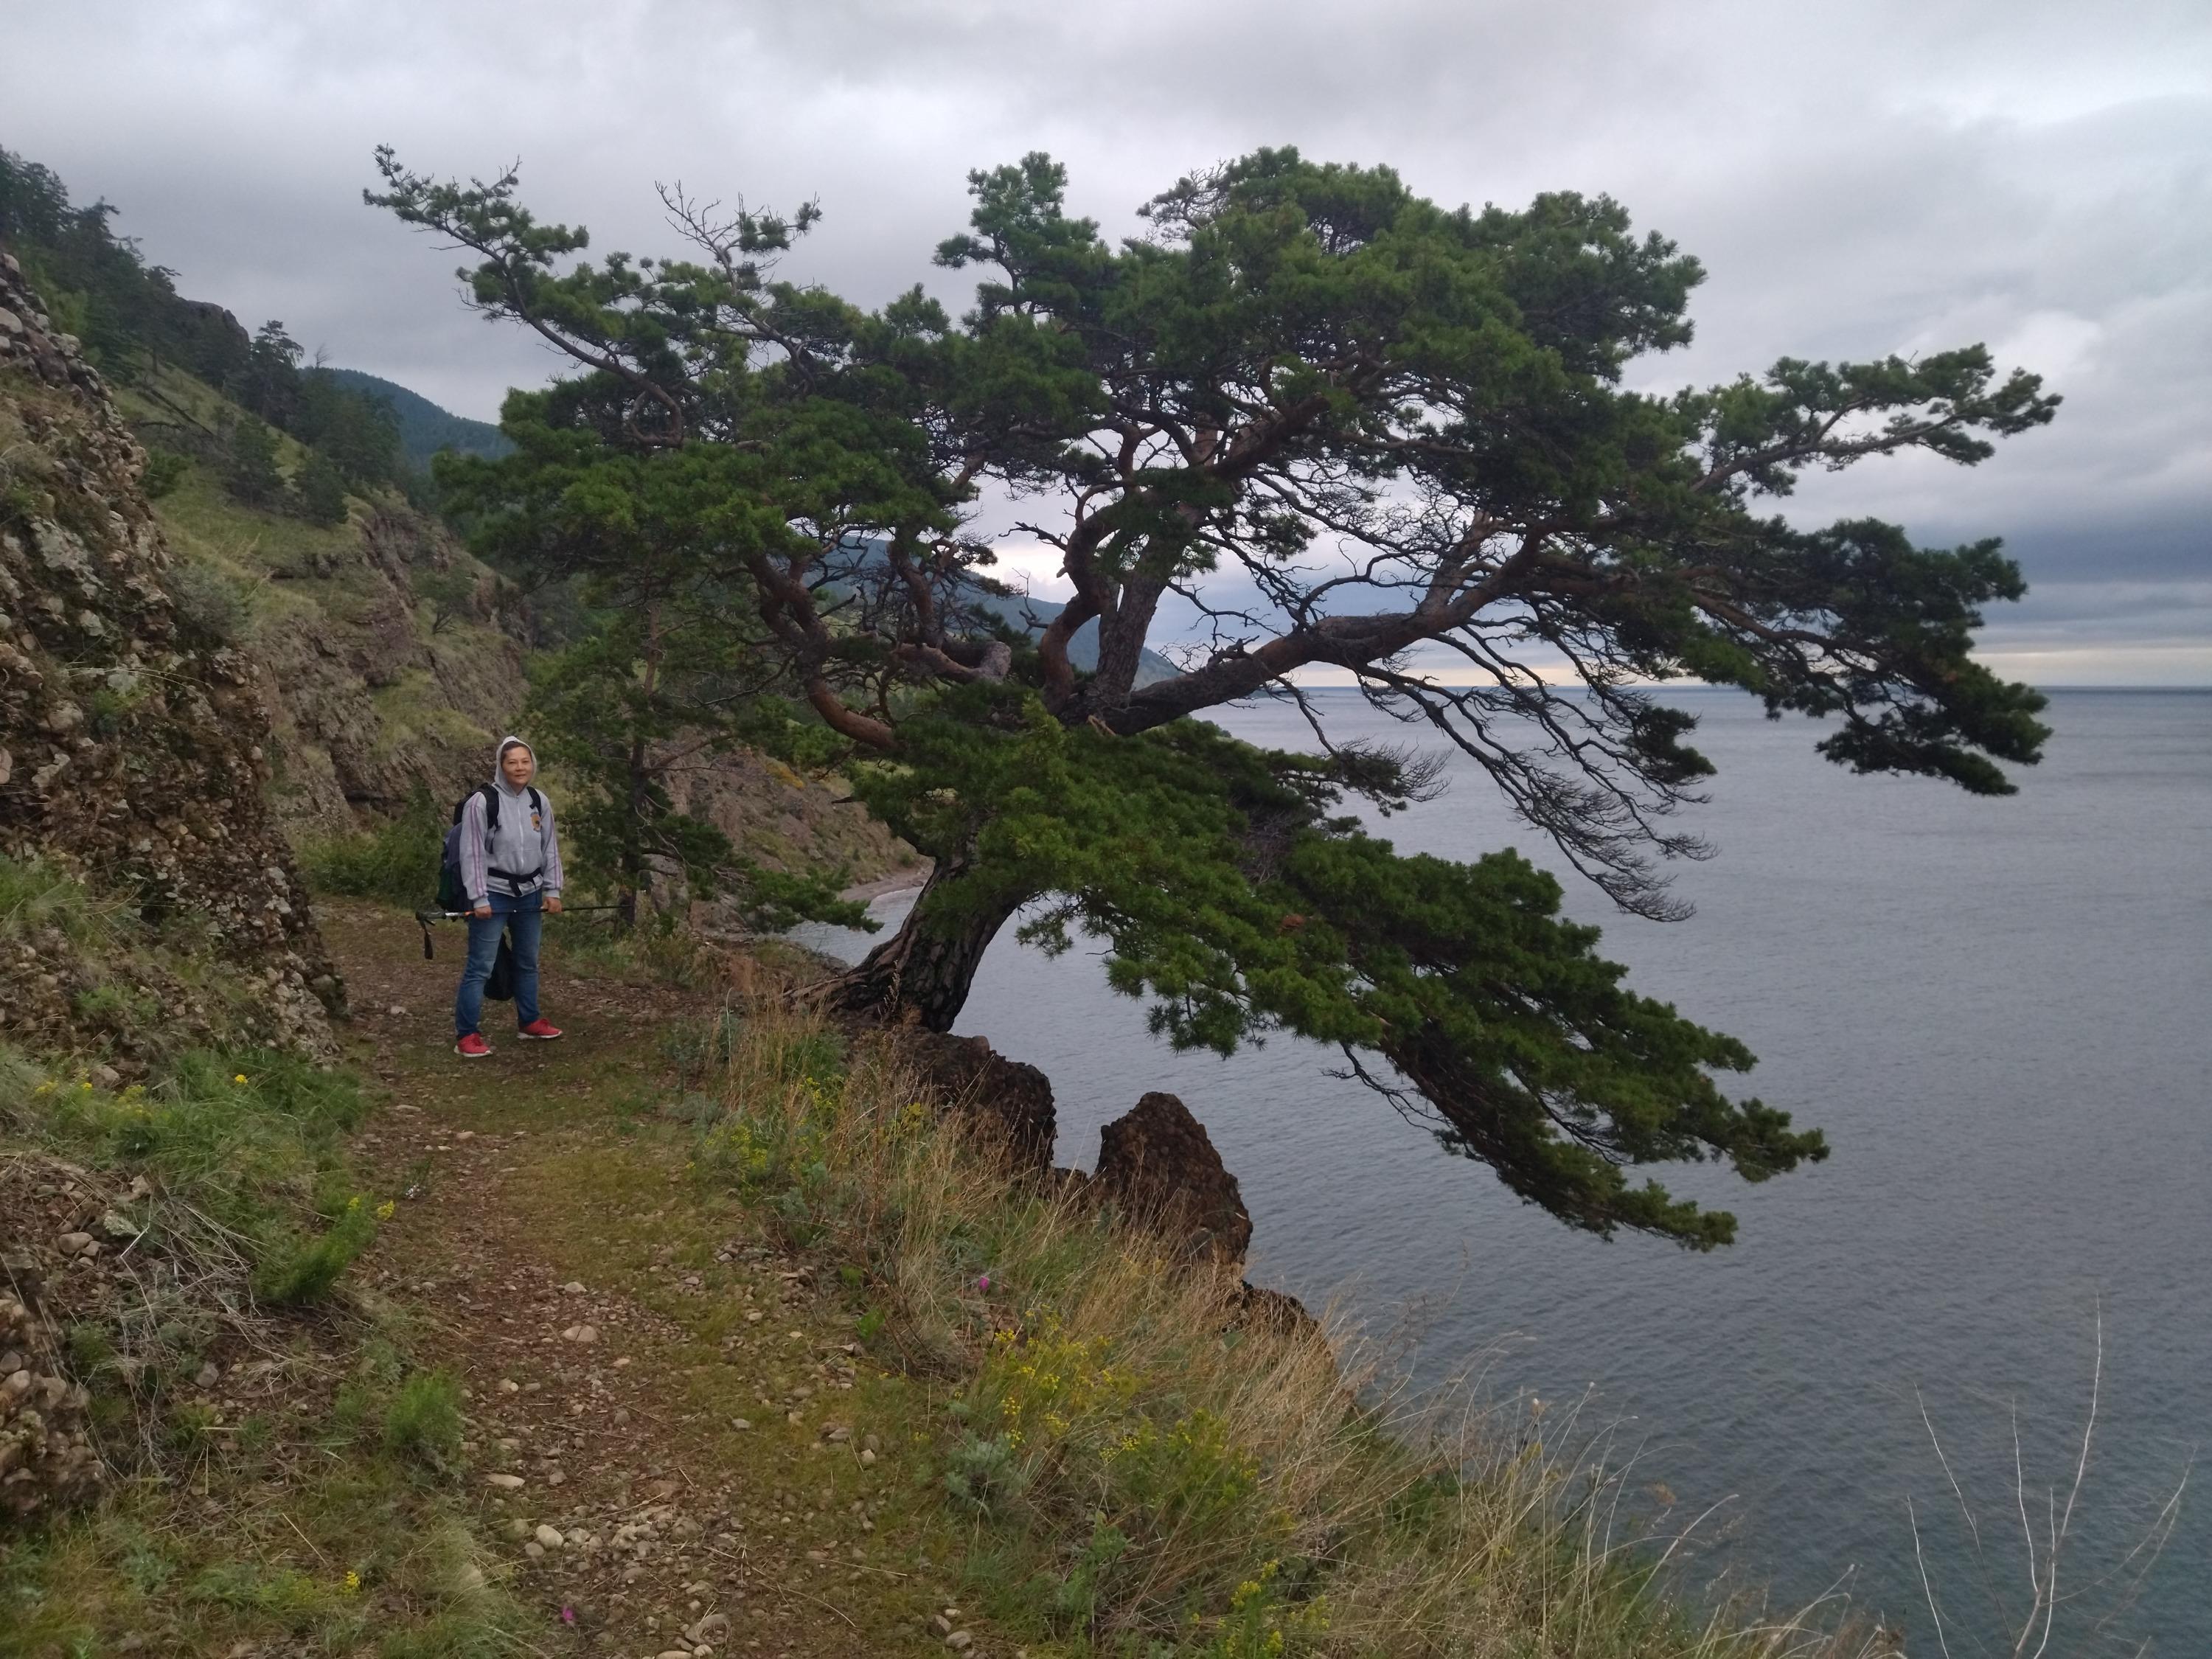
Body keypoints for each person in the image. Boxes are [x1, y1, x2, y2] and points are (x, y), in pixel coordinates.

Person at [453, 735, 566, 1057]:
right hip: (493, 893)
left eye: (525, 761)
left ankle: (529, 1021)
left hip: (530, 894)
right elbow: (472, 851)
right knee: (481, 966)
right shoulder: (482, 802)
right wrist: (478, 898)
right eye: (512, 762)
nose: (520, 768)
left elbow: (549, 847)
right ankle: (467, 1035)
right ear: (501, 766)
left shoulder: (538, 801)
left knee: (528, 962)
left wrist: (552, 890)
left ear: (533, 764)